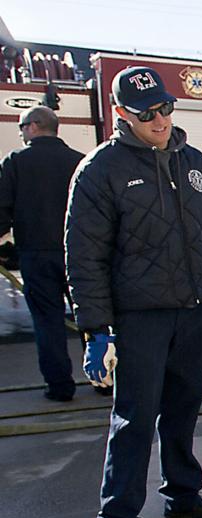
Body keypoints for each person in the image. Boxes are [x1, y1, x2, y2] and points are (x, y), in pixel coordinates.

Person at [65, 65, 202, 518]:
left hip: (192, 312)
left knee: (184, 409)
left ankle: (183, 495)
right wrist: (96, 330)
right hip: (139, 318)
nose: (160, 120)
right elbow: (84, 257)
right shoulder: (100, 171)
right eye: (147, 114)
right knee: (135, 420)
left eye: (166, 108)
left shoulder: (195, 164)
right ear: (121, 114)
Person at [0, 106, 85, 401]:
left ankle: (60, 387)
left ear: (34, 126)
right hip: (80, 254)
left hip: (37, 255)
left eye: (22, 127)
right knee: (91, 317)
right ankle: (105, 379)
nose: (21, 133)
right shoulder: (80, 161)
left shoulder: (15, 161)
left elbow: (2, 210)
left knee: (48, 321)